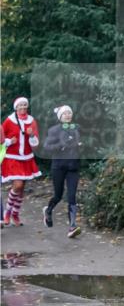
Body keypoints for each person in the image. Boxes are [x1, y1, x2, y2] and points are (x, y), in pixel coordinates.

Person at [42, 105, 83, 238]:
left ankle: (72, 226)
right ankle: (48, 211)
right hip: (58, 166)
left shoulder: (76, 128)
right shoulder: (54, 130)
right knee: (58, 195)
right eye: (64, 113)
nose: (67, 115)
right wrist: (61, 146)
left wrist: (81, 146)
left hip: (73, 167)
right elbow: (47, 147)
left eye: (69, 113)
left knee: (72, 197)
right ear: (60, 116)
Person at [1, 96, 41, 225]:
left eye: (25, 105)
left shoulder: (32, 121)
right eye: (20, 105)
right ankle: (7, 212)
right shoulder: (9, 121)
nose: (23, 107)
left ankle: (15, 214)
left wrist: (32, 135)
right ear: (16, 107)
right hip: (12, 158)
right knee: (17, 185)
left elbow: (35, 144)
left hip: (27, 158)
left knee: (22, 188)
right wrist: (8, 141)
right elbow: (1, 138)